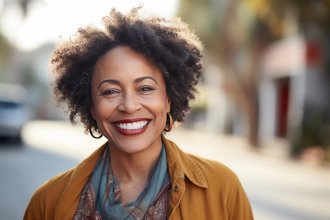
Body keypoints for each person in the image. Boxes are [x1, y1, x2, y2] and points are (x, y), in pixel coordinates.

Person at [24, 7, 253, 220]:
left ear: (168, 99)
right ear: (92, 106)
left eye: (145, 88)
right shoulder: (46, 203)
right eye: (110, 91)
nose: (129, 106)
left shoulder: (223, 191)